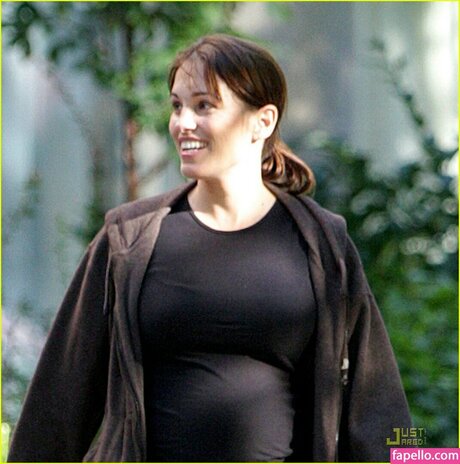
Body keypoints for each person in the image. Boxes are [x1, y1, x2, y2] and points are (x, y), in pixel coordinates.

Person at [8, 34, 412, 463]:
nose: (183, 122)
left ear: (263, 121)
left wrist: (417, 455)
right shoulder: (129, 239)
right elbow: (58, 400)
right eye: (177, 105)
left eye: (204, 106)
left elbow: (379, 405)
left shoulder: (323, 243)